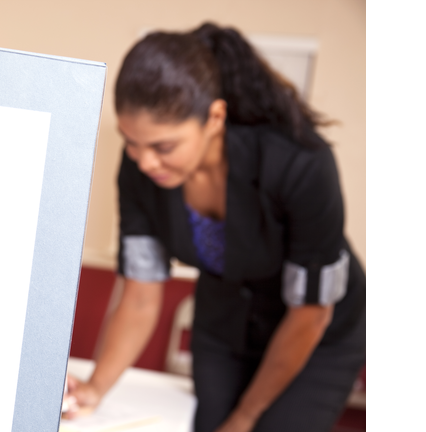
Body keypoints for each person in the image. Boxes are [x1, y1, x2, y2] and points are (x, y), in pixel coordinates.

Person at [63, 23, 365, 432]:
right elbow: (139, 294)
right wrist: (96, 388)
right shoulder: (140, 171)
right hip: (224, 319)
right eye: (131, 141)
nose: (145, 161)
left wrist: (243, 419)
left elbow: (310, 314)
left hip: (316, 330)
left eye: (163, 147)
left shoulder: (298, 162)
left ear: (215, 118)